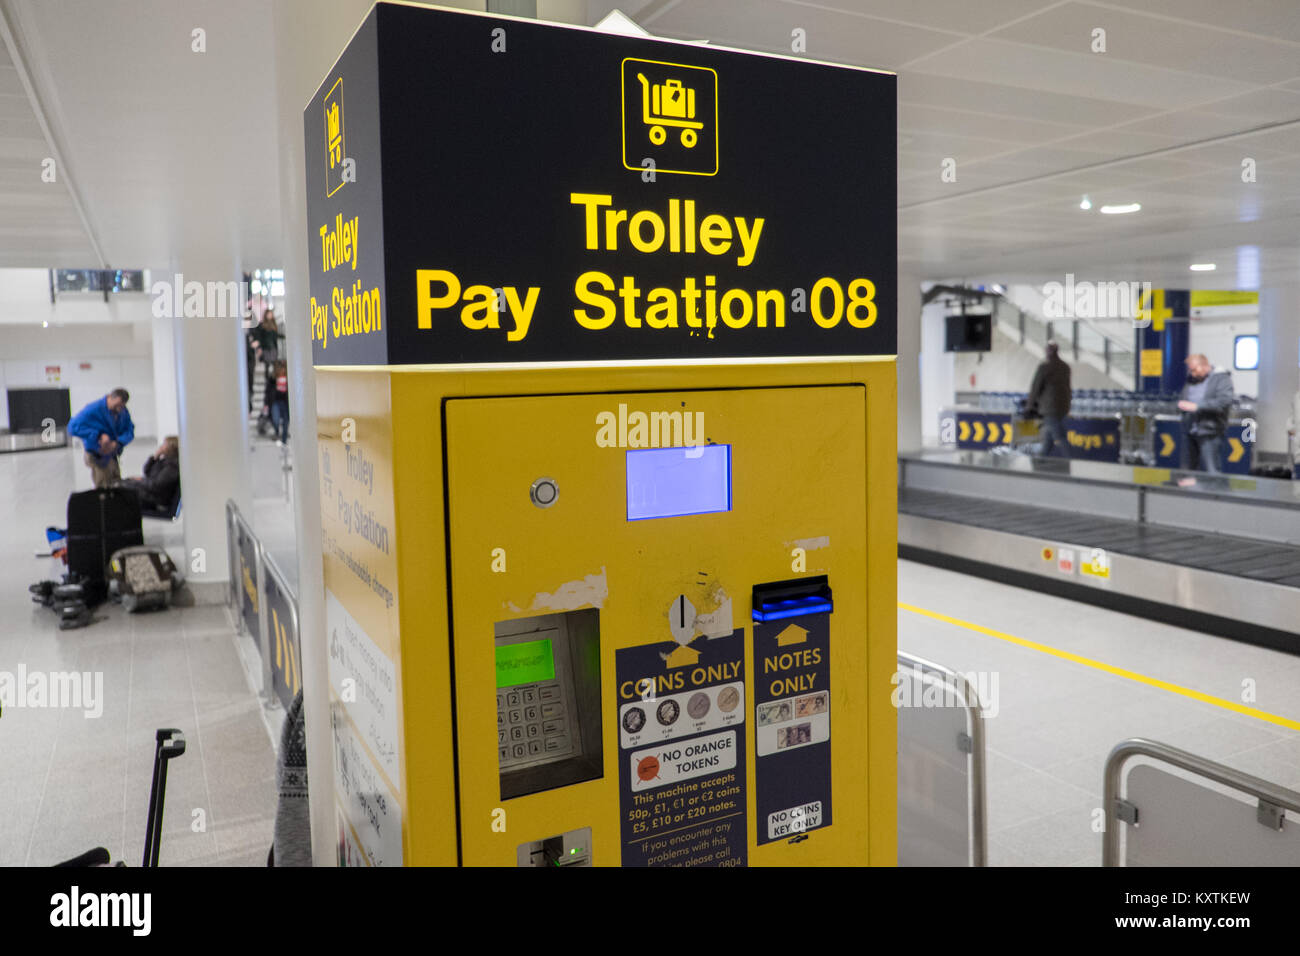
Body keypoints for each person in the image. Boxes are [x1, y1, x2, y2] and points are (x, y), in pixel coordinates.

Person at [1177, 353, 1234, 473]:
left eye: (1194, 370)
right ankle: (1191, 491)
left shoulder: (1221, 378)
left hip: (1210, 432)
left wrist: (1197, 406)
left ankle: (1214, 491)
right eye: (1190, 370)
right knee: (1188, 471)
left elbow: (1223, 402)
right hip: (1190, 430)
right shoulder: (1191, 380)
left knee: (1211, 469)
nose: (1192, 373)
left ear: (1204, 365)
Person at [67, 387, 134, 487]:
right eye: (118, 405)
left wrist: (118, 443)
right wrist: (98, 435)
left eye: (122, 406)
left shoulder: (122, 411)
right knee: (103, 487)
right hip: (97, 454)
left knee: (117, 485)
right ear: (110, 397)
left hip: (112, 454)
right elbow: (72, 427)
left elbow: (129, 430)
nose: (120, 408)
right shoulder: (93, 409)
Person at [1025, 341, 1071, 457]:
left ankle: (1072, 462)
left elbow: (1035, 387)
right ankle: (1040, 461)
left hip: (1049, 408)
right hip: (1063, 407)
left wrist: (1029, 406)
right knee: (1048, 439)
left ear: (1049, 352)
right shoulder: (1065, 367)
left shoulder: (1044, 367)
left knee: (1060, 436)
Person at [122, 436, 180, 514]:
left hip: (156, 498)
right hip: (151, 492)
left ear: (170, 447)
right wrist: (154, 457)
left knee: (124, 488)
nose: (161, 446)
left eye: (164, 444)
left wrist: (141, 481)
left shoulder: (172, 466)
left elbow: (157, 485)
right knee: (125, 483)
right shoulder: (164, 461)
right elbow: (147, 471)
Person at [268, 359, 290, 444]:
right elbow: (268, 391)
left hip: (285, 402)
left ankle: (284, 440)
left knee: (286, 422)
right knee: (276, 420)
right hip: (276, 402)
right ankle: (277, 432)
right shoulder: (273, 378)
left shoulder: (288, 377)